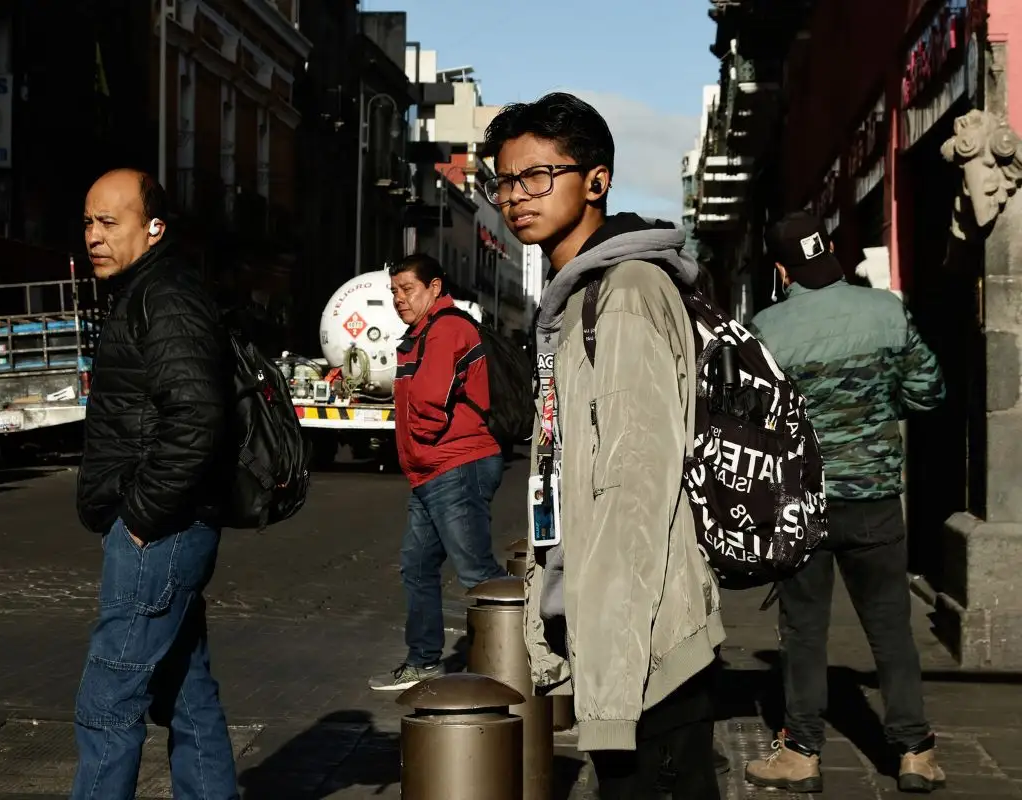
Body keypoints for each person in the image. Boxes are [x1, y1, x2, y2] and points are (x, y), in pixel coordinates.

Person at [484, 92, 725, 798]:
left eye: (537, 176)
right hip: (622, 638)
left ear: (596, 180)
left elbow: (634, 487)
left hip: (650, 649)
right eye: (504, 181)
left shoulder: (624, 294)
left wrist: (613, 693)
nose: (516, 196)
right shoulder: (578, 299)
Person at [744, 212, 947, 794]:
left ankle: (802, 752)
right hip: (875, 500)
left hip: (802, 504)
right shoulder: (886, 311)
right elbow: (929, 392)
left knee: (803, 629)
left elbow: (755, 421)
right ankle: (913, 751)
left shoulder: (766, 327)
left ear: (782, 269)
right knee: (890, 627)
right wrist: (878, 418)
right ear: (829, 251)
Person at [72, 169, 239, 800]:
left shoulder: (162, 297)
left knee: (109, 696)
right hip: (167, 526)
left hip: (160, 532)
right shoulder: (149, 290)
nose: (93, 235)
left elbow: (196, 415)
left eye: (109, 223)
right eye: (88, 221)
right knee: (186, 694)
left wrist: (141, 517)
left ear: (154, 228)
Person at [367, 253, 507, 692]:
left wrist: (423, 443)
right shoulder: (420, 334)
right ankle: (423, 661)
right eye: (393, 291)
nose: (398, 299)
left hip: (455, 464)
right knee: (417, 565)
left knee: (477, 573)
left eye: (407, 289)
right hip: (432, 470)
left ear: (434, 287)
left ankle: (531, 660)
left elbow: (428, 401)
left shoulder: (447, 329)